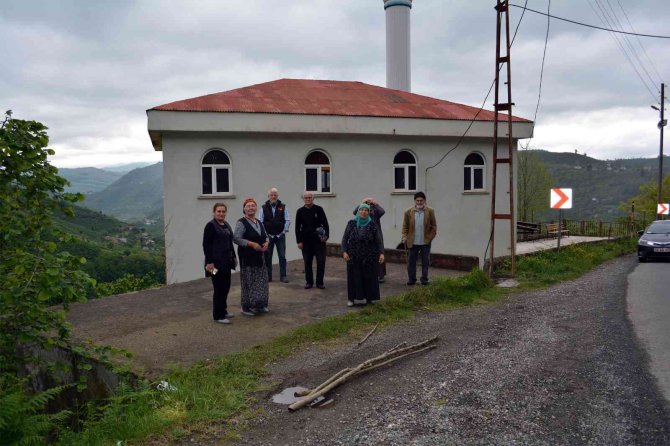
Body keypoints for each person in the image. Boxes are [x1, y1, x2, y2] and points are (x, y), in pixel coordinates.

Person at [342, 203, 385, 307]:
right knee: (353, 278)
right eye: (361, 210)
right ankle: (351, 299)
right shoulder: (351, 223)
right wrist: (344, 252)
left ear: (368, 213)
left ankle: (369, 299)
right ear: (358, 211)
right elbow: (344, 239)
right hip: (353, 256)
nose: (363, 212)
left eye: (366, 210)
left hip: (369, 256)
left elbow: (379, 241)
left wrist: (382, 253)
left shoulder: (372, 225)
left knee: (369, 278)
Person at [233, 197, 270, 316]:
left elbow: (266, 236)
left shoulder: (259, 222)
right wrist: (251, 244)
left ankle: (260, 304)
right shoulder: (241, 222)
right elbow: (236, 239)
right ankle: (247, 307)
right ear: (244, 209)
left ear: (256, 208)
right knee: (249, 282)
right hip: (247, 257)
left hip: (260, 257)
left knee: (262, 281)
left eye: (253, 206)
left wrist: (267, 243)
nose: (251, 208)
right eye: (248, 206)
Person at [202, 203, 237, 324]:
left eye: (223, 211)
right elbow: (206, 245)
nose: (221, 213)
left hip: (226, 262)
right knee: (218, 288)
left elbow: (230, 242)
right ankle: (218, 315)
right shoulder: (210, 226)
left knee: (226, 287)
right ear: (214, 212)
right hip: (213, 265)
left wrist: (234, 256)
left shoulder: (226, 224)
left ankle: (224, 310)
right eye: (219, 211)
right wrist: (210, 262)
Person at [401, 191, 437, 286]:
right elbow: (405, 226)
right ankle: (412, 279)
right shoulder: (408, 212)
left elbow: (434, 227)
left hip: (425, 242)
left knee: (425, 262)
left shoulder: (430, 211)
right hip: (413, 242)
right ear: (415, 201)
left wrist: (430, 238)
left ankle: (424, 279)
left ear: (424, 201)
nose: (419, 202)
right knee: (411, 262)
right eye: (417, 200)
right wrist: (404, 236)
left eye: (421, 200)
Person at [295, 191, 329, 289]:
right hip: (306, 241)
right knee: (307, 262)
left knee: (321, 261)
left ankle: (320, 282)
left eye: (310, 197)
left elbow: (325, 224)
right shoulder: (300, 211)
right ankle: (309, 282)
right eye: (306, 198)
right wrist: (299, 241)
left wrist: (326, 236)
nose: (308, 199)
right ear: (303, 199)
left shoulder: (319, 209)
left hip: (319, 241)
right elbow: (297, 228)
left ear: (313, 198)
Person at [258, 187, 290, 283]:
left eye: (275, 195)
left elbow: (287, 220)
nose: (273, 196)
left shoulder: (283, 206)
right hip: (268, 237)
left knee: (282, 256)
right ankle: (268, 276)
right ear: (268, 196)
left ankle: (283, 276)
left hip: (280, 236)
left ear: (277, 196)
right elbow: (260, 221)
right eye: (271, 195)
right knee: (267, 256)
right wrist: (265, 235)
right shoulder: (263, 207)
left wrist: (283, 232)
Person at [353, 197, 386, 282]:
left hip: (377, 235)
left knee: (379, 254)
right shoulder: (362, 210)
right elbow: (354, 212)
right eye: (367, 203)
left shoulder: (375, 209)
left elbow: (382, 212)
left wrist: (376, 203)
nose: (368, 204)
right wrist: (362, 202)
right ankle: (369, 274)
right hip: (366, 236)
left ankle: (381, 275)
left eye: (369, 203)